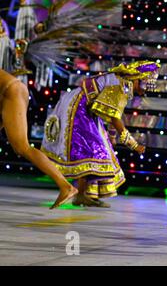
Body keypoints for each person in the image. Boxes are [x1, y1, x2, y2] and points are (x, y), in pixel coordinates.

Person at [41, 61, 159, 207]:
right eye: (145, 85)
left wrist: (112, 136)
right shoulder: (120, 86)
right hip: (78, 107)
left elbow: (111, 113)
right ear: (138, 79)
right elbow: (115, 119)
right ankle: (78, 193)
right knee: (91, 151)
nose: (144, 91)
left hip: (86, 108)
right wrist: (133, 144)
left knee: (98, 150)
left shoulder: (123, 85)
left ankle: (85, 195)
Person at [0, 68, 78, 209]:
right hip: (13, 89)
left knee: (22, 147)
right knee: (22, 147)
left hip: (11, 91)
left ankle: (65, 186)